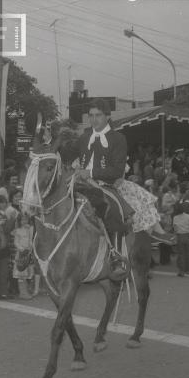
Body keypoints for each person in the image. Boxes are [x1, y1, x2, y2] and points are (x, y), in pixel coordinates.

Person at [75, 99, 175, 276]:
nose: (94, 119)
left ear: (107, 116)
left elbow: (116, 170)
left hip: (106, 183)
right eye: (91, 115)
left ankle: (117, 254)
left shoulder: (118, 138)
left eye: (98, 115)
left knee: (129, 203)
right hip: (82, 182)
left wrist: (90, 172)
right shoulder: (84, 137)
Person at [0, 195, 14, 299]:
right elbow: (6, 229)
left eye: (5, 202)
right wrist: (11, 219)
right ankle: (2, 292)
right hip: (0, 245)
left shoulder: (0, 214)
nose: (4, 204)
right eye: (1, 202)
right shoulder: (0, 215)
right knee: (2, 270)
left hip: (0, 245)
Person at [12, 213, 34, 300]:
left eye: (26, 219)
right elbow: (16, 242)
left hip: (28, 253)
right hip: (21, 254)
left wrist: (30, 248)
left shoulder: (30, 229)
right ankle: (23, 292)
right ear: (19, 221)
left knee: (28, 273)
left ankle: (26, 291)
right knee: (21, 273)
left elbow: (31, 239)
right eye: (22, 220)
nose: (24, 221)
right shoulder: (17, 230)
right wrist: (21, 249)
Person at [173, 203, 189, 277]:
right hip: (188, 236)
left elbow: (175, 229)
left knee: (181, 255)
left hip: (180, 236)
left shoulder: (175, 218)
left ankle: (181, 271)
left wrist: (175, 237)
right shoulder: (188, 216)